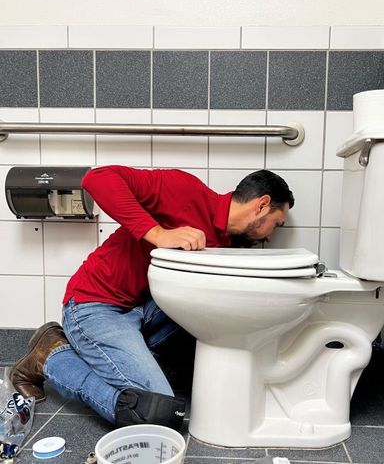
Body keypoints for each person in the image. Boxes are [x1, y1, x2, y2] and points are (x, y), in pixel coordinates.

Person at [10, 166, 294, 430]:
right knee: (156, 411)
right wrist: (158, 234)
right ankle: (49, 357)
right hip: (95, 304)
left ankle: (116, 358)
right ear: (261, 205)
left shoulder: (232, 243)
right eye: (276, 224)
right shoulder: (185, 191)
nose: (271, 236)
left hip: (143, 310)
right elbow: (97, 178)